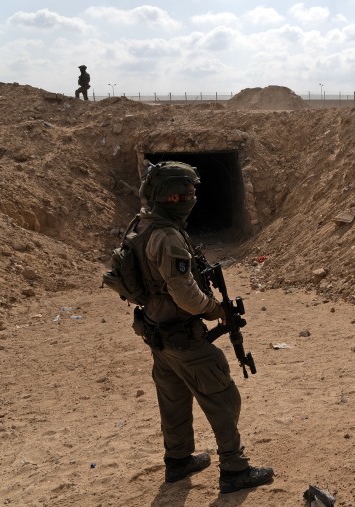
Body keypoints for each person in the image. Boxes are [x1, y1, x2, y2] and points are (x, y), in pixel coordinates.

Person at [131, 161, 273, 493]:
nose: (193, 197)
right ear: (172, 196)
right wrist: (216, 310)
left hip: (158, 333)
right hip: (182, 335)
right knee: (222, 396)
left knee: (174, 400)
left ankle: (178, 461)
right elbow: (185, 294)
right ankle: (235, 469)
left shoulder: (141, 226)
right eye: (189, 191)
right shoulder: (167, 237)